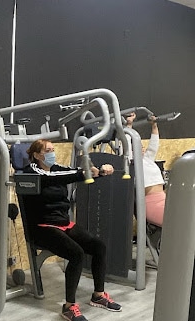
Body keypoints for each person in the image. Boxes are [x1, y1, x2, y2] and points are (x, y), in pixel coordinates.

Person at [22, 139, 122, 321]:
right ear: (36, 155)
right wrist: (84, 173)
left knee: (98, 246)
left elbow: (72, 172)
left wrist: (99, 171)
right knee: (76, 254)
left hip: (63, 223)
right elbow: (57, 178)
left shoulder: (57, 168)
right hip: (42, 227)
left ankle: (98, 295)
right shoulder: (32, 172)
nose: (52, 153)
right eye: (47, 150)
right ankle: (69, 307)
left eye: (53, 149)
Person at [126, 113, 165, 227]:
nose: (142, 148)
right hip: (152, 203)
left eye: (142, 146)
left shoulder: (147, 159)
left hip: (163, 198)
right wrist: (129, 125)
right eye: (138, 147)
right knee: (183, 220)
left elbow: (153, 145)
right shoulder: (132, 162)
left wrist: (154, 125)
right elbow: (127, 143)